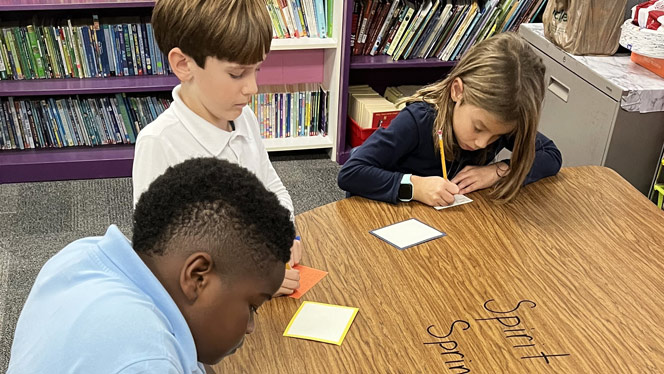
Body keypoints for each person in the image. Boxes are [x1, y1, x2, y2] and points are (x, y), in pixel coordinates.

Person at [7, 158, 295, 374]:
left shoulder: (81, 254)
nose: (250, 327)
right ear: (197, 277)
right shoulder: (147, 361)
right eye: (252, 307)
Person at [132, 0, 301, 295]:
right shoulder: (159, 143)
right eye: (237, 74)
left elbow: (271, 186)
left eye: (256, 70)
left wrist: (285, 234)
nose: (253, 88)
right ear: (184, 65)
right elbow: (162, 260)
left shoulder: (243, 118)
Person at [338, 32, 562, 207]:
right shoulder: (419, 120)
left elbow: (551, 155)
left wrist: (496, 171)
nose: (483, 143)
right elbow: (351, 173)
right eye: (478, 128)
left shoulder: (501, 119)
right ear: (457, 91)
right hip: (389, 218)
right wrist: (414, 187)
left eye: (498, 136)